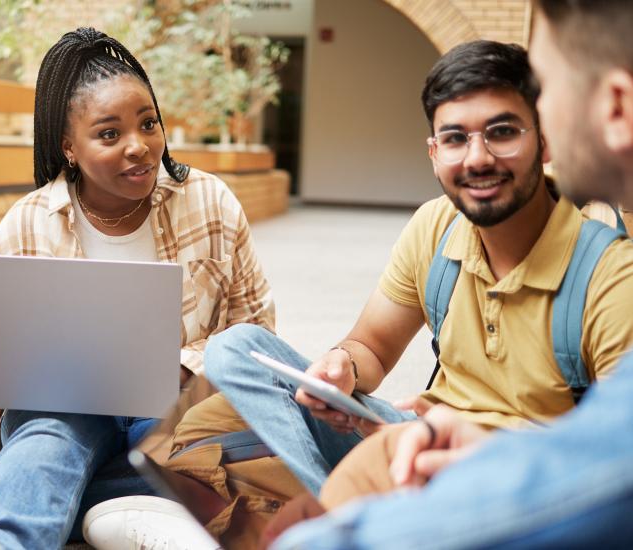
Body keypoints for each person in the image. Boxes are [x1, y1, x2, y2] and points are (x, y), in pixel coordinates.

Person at [138, 38, 633, 546]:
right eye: (456, 138)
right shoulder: (435, 227)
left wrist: (469, 436)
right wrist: (341, 368)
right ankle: (340, 503)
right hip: (406, 435)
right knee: (233, 353)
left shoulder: (608, 274)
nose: (479, 158)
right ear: (435, 152)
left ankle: (339, 518)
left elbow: (610, 459)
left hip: (516, 479)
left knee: (215, 460)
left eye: (502, 133)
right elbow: (372, 346)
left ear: (545, 142)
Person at [0, 27, 275, 550]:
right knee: (52, 434)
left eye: (149, 124)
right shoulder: (25, 225)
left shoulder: (210, 202)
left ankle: (43, 498)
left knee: (199, 445)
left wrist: (182, 366)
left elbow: (256, 328)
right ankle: (13, 533)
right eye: (109, 134)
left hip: (176, 410)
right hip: (60, 419)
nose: (139, 147)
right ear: (69, 147)